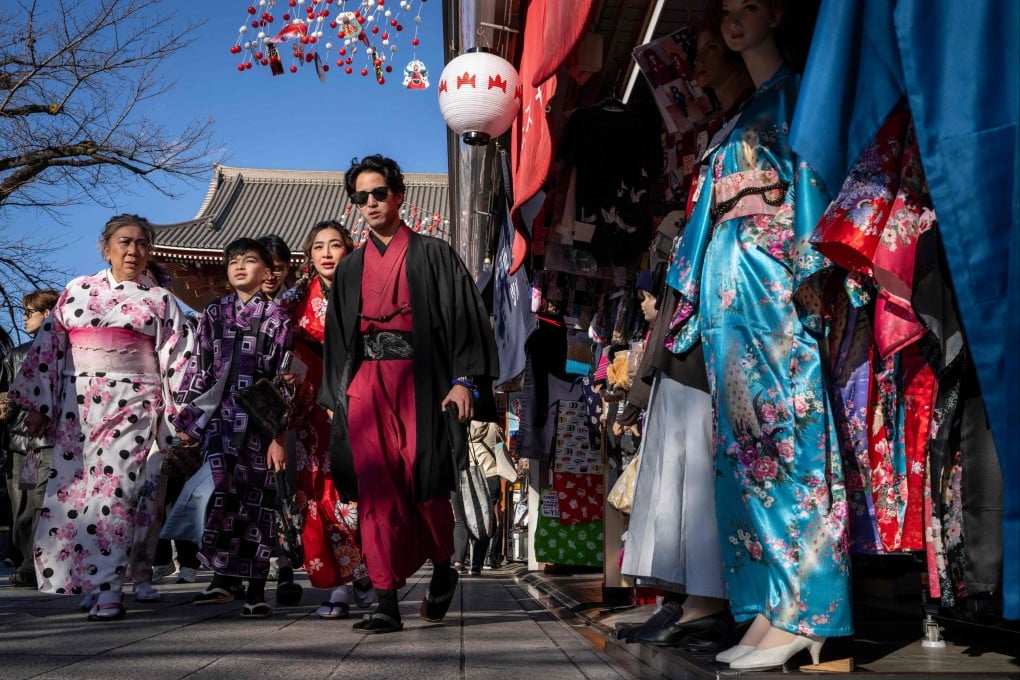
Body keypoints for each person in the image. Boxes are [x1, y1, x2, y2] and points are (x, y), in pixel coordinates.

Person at [664, 0, 851, 670]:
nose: (734, 20)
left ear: (777, 13)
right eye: (728, 10)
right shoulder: (741, 112)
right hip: (730, 284)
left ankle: (812, 607)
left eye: (749, 7)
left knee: (789, 435)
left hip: (773, 280)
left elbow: (815, 174)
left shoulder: (800, 91)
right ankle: (774, 604)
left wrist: (810, 265)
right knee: (745, 449)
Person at [320, 154, 498, 634]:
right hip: (365, 388)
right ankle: (385, 600)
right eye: (362, 197)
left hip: (420, 384)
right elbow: (338, 340)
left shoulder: (432, 253)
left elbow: (463, 317)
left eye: (380, 193)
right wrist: (338, 399)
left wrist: (464, 381)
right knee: (375, 492)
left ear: (399, 195)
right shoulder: (351, 267)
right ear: (355, 205)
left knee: (426, 488)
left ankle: (443, 563)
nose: (372, 203)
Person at [620, 22, 755, 650]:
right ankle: (687, 593)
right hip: (692, 300)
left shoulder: (765, 114)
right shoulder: (718, 129)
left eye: (704, 48)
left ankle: (708, 595)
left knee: (702, 459)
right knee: (679, 453)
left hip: (732, 296)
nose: (696, 61)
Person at [8, 214, 195, 621]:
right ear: (105, 246)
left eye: (143, 244)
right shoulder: (77, 291)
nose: (134, 251)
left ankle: (110, 588)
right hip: (79, 406)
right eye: (126, 242)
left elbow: (179, 359)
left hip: (134, 404)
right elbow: (49, 349)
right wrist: (40, 407)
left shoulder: (160, 300)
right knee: (79, 497)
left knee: (116, 491)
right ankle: (92, 580)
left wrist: (180, 416)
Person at [172, 237, 292, 619]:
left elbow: (283, 381)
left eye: (250, 260)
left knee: (258, 505)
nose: (240, 266)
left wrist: (278, 436)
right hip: (220, 424)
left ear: (266, 272)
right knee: (220, 496)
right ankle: (223, 578)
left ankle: (256, 589)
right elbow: (198, 369)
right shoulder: (213, 314)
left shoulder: (278, 319)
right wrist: (188, 420)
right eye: (234, 261)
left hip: (259, 425)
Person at [280, 220, 374, 619]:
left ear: (349, 250)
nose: (327, 253)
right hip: (310, 409)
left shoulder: (368, 290)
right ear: (309, 255)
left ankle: (366, 570)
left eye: (336, 245)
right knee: (317, 496)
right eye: (319, 246)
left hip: (359, 401)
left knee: (357, 494)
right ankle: (337, 586)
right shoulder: (295, 297)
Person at [1, 289, 59, 588]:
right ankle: (28, 563)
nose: (24, 317)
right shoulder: (17, 354)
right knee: (29, 507)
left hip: (28, 443)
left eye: (29, 312)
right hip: (30, 444)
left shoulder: (32, 352)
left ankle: (29, 565)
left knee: (30, 505)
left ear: (47, 313)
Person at [451, 420, 508, 575]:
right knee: (485, 520)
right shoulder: (493, 427)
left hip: (462, 478)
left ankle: (458, 562)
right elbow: (503, 446)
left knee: (461, 521)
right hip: (489, 477)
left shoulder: (457, 426)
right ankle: (476, 565)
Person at [259, 234, 293, 301]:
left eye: (277, 270)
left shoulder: (299, 303)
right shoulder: (236, 304)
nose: (270, 277)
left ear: (287, 268)